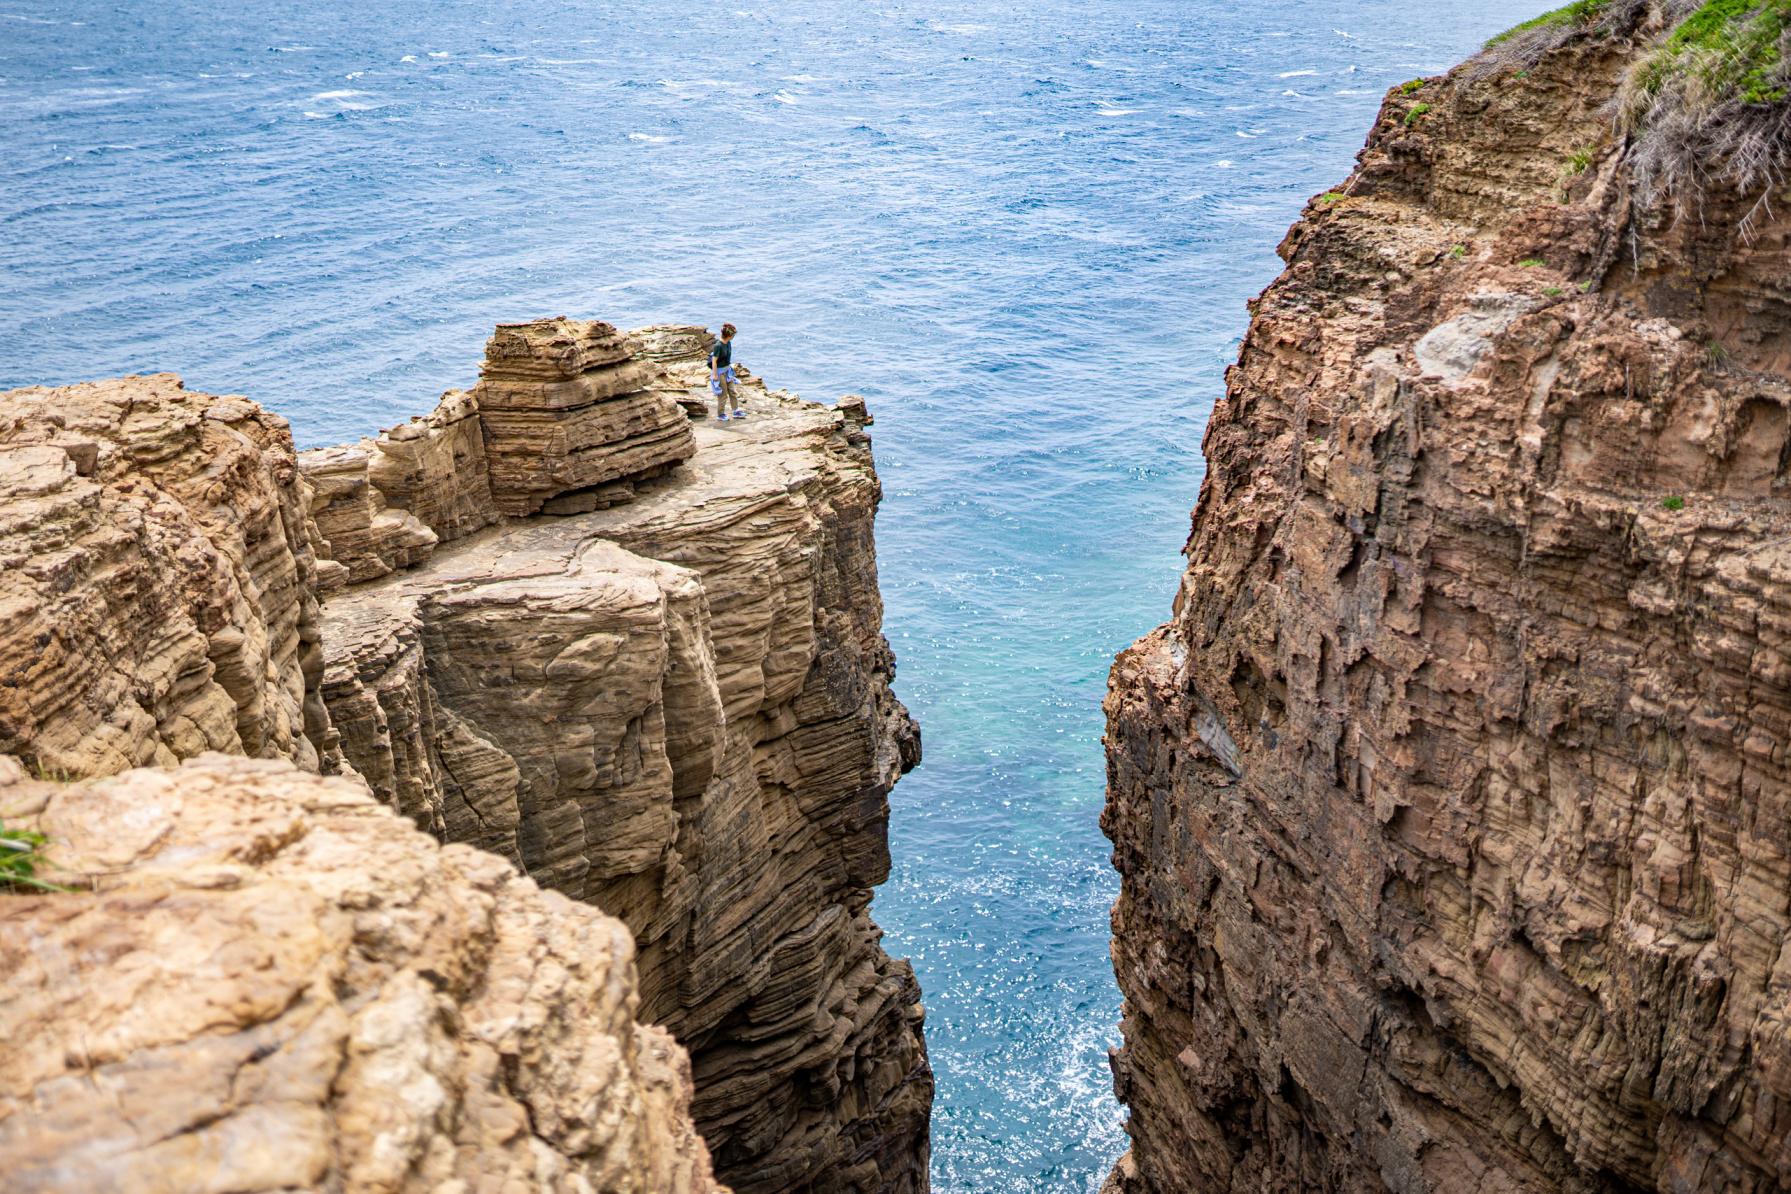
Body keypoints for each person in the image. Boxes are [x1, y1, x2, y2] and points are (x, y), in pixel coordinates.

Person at [709, 323, 744, 421]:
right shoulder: (718, 346)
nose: (733, 337)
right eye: (733, 335)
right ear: (729, 335)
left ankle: (735, 411)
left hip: (728, 371)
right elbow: (714, 361)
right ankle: (720, 414)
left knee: (732, 391)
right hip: (720, 373)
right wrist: (715, 375)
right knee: (723, 394)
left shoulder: (728, 343)